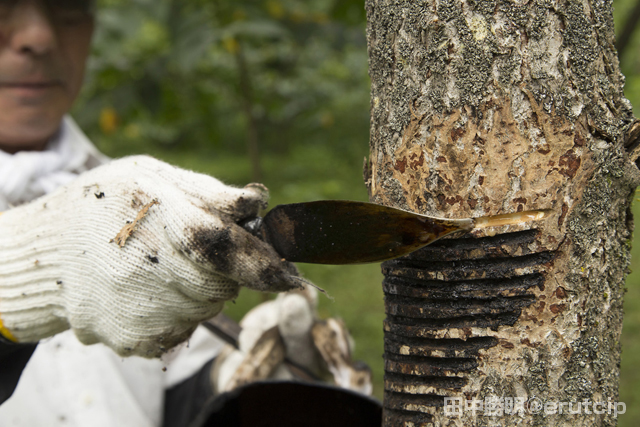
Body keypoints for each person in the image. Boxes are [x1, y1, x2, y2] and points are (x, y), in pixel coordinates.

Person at [0, 1, 370, 426]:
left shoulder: (132, 198)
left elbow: (156, 387)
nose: (39, 37)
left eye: (66, 7)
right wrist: (16, 274)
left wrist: (227, 387)